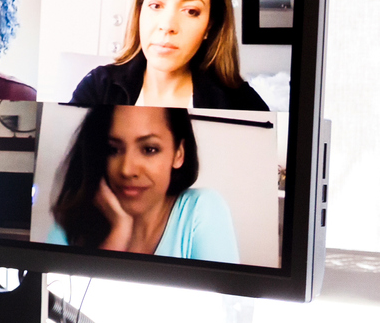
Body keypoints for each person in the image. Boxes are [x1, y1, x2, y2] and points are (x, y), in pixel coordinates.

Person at [68, 0, 268, 110]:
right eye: (156, 5)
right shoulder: (98, 86)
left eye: (191, 11)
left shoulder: (243, 103)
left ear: (209, 26)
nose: (167, 25)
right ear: (140, 12)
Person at [45, 105, 240, 260]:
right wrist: (118, 234)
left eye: (149, 149)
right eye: (113, 150)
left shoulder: (200, 211)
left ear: (179, 153)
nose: (127, 170)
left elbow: (225, 305)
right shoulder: (71, 222)